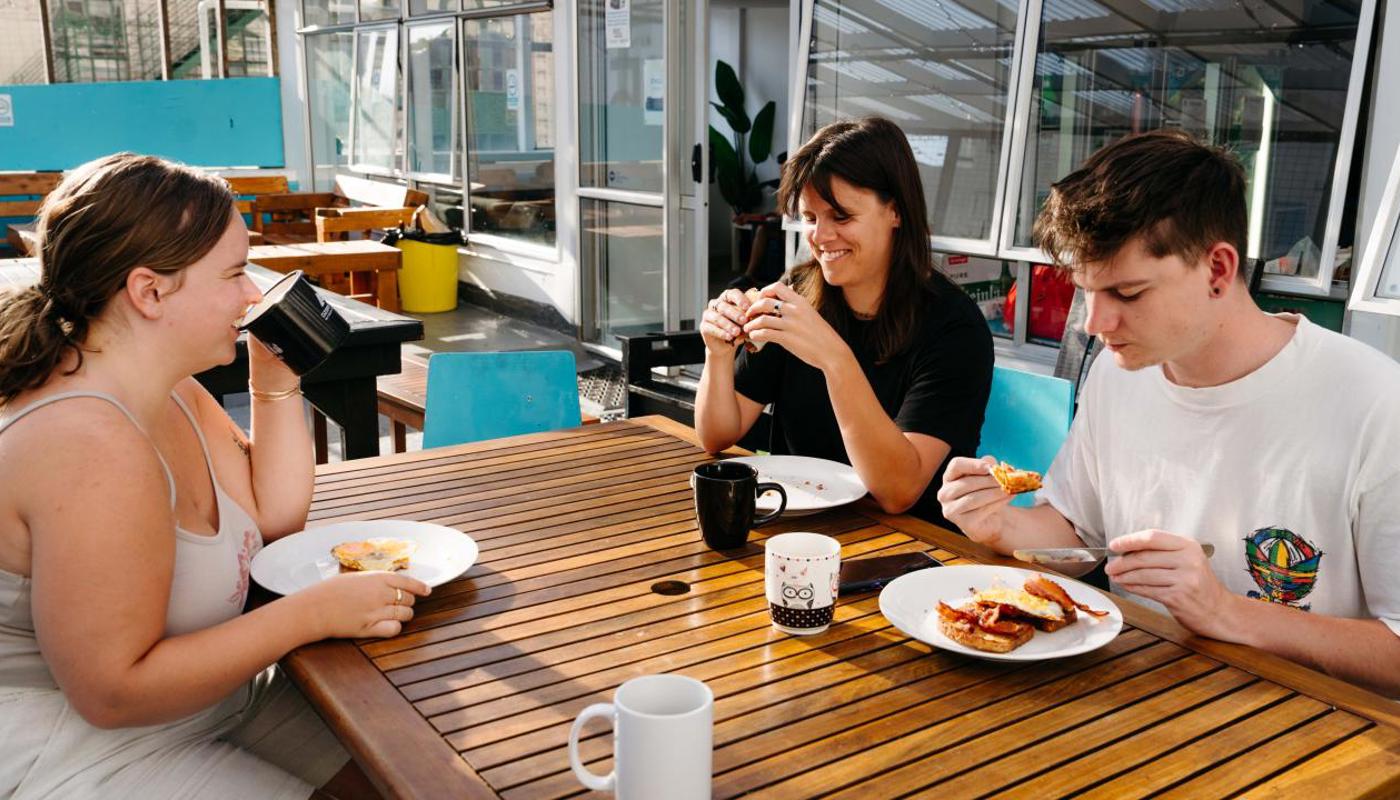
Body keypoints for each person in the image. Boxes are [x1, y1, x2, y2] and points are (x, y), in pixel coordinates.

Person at [0, 153, 430, 798]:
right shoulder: (85, 443)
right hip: (82, 747)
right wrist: (312, 615)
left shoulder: (166, 387)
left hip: (209, 701)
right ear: (149, 291)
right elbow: (112, 693)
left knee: (413, 762)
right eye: (233, 273)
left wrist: (274, 381)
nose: (254, 294)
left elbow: (271, 517)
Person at [938, 130, 1400, 696]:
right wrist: (1002, 525)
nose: (1095, 324)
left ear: (1218, 270)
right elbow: (1080, 536)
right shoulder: (1120, 370)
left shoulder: (1376, 405)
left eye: (1128, 294)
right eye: (1088, 292)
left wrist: (1228, 613)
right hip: (1131, 693)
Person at [695, 117, 993, 527]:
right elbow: (716, 435)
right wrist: (719, 355)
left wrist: (834, 358)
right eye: (811, 218)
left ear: (895, 211)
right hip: (794, 528)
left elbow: (898, 491)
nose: (820, 236)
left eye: (841, 216)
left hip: (909, 547)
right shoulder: (796, 294)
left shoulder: (955, 329)